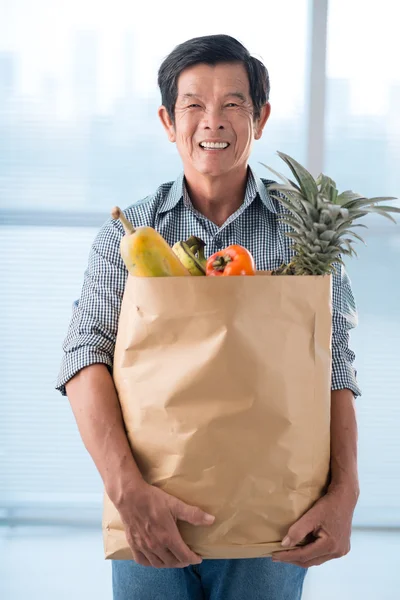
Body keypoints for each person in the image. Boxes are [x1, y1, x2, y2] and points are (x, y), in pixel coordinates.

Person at [56, 34, 361, 600]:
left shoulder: (304, 236)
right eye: (193, 104)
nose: (211, 122)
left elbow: (334, 365)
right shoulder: (123, 236)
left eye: (232, 105)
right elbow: (84, 357)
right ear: (169, 122)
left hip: (273, 520)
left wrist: (346, 493)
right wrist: (127, 493)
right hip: (152, 509)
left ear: (261, 117)